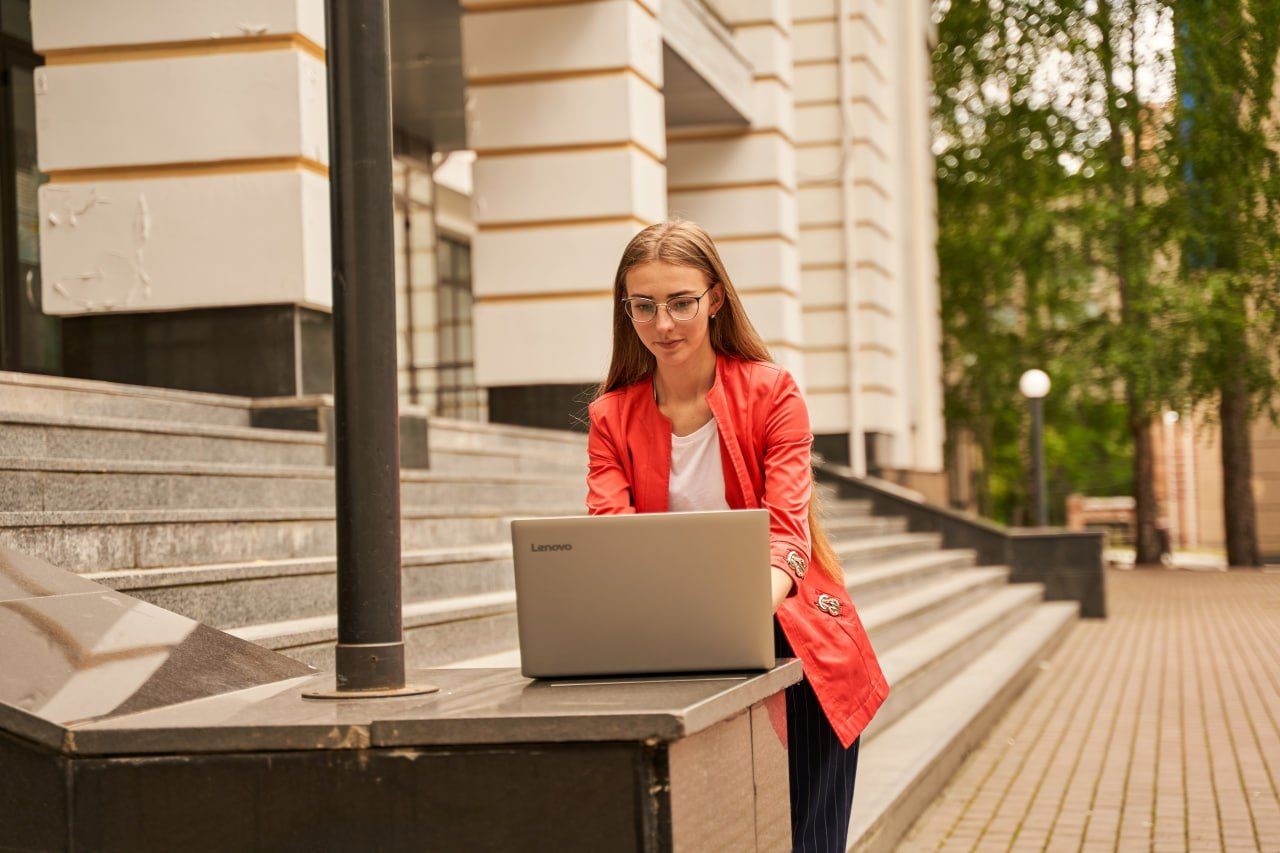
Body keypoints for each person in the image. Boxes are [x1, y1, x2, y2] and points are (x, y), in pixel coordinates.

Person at [585, 219, 889, 852]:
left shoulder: (772, 392)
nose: (662, 323)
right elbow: (610, 543)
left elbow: (787, 537)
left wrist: (734, 610)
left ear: (715, 298)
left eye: (681, 302)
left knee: (807, 842)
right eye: (643, 305)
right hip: (671, 645)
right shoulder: (610, 418)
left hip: (792, 638)